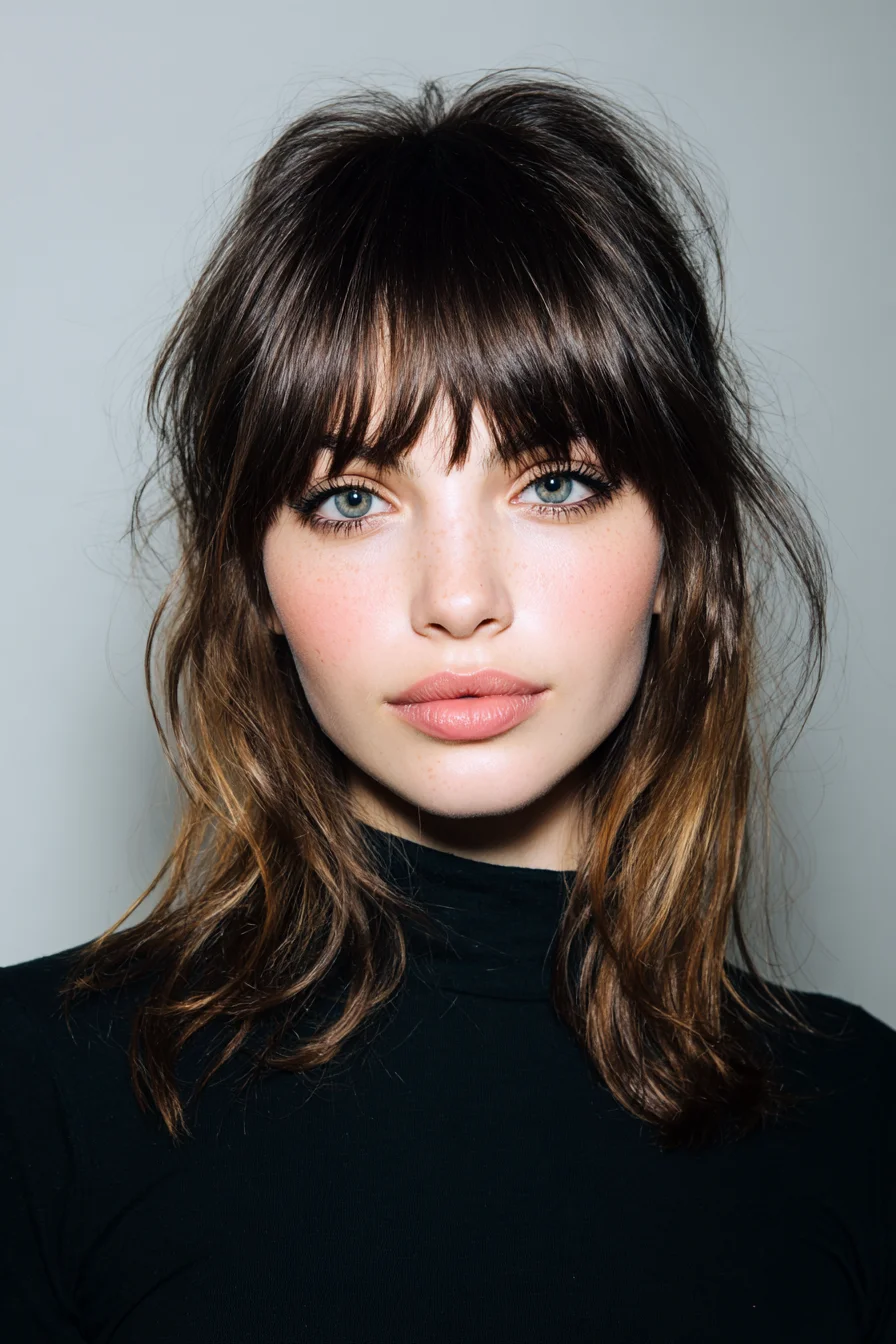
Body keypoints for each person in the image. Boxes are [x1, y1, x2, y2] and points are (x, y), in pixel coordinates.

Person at [1, 70, 893, 1343]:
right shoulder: (38, 1099)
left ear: (678, 547)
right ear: (252, 574)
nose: (458, 599)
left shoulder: (860, 1120)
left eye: (557, 483)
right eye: (351, 499)